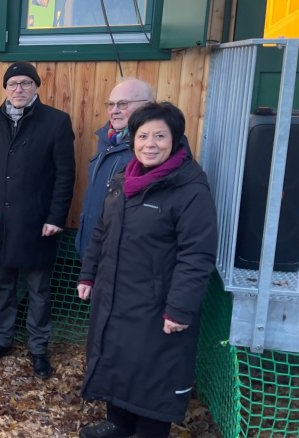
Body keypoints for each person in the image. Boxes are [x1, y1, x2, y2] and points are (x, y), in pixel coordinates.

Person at [76, 102, 217, 438]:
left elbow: (197, 254)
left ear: (175, 139)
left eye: (159, 136)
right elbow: (101, 230)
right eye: (142, 136)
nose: (149, 144)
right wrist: (88, 273)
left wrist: (179, 308)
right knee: (117, 361)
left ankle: (149, 431)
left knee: (153, 373)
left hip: (158, 304)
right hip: (116, 294)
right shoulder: (125, 179)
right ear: (132, 140)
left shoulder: (189, 189)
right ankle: (118, 424)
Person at [0, 61, 75, 378]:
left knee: (38, 291)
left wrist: (56, 217)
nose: (19, 89)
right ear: (6, 88)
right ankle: (2, 340)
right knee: (3, 286)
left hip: (37, 224)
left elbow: (65, 176)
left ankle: (39, 349)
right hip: (0, 221)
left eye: (25, 83)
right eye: (13, 84)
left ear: (35, 87)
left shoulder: (56, 122)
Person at [74, 78, 154, 258]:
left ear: (147, 106)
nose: (114, 111)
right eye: (110, 104)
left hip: (124, 258)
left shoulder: (153, 149)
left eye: (123, 104)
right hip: (93, 250)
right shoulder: (107, 141)